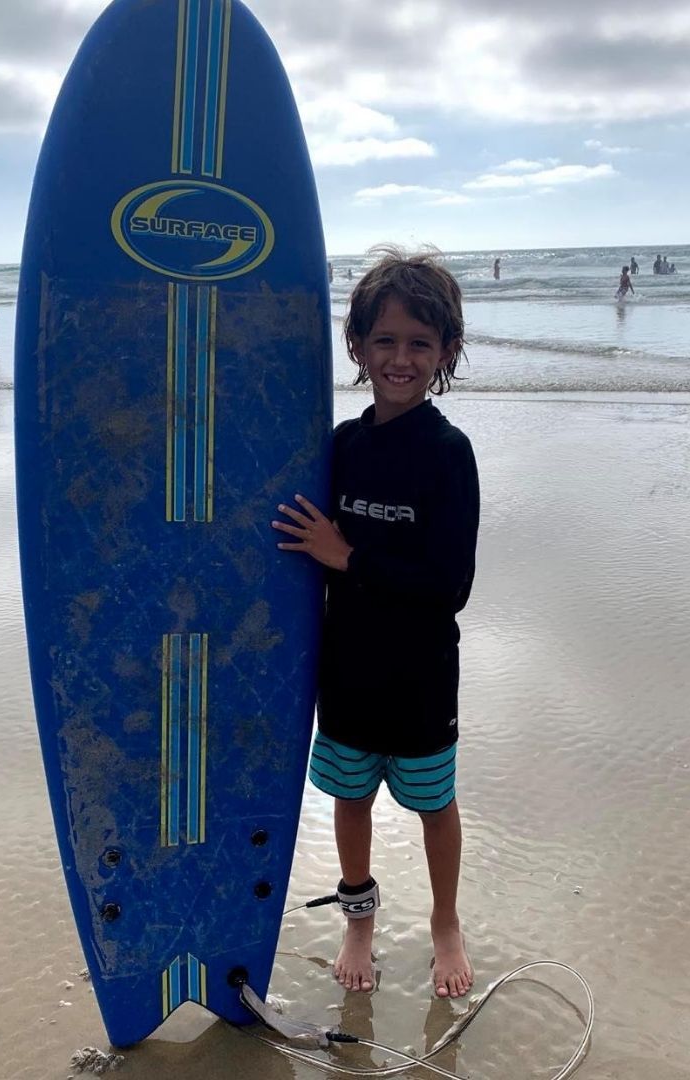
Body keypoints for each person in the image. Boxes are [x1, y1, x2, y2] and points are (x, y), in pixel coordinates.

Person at [271, 244, 482, 999]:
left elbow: (449, 585)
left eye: (419, 344)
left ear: (446, 352)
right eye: (384, 341)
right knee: (350, 798)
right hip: (349, 671)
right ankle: (359, 916)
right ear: (356, 347)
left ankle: (445, 922)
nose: (401, 358)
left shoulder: (449, 455)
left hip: (422, 676)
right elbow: (294, 546)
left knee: (433, 807)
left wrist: (348, 555)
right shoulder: (341, 448)